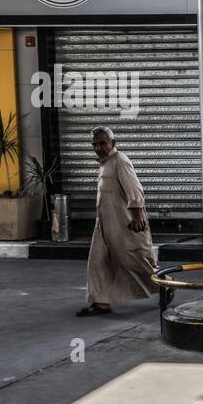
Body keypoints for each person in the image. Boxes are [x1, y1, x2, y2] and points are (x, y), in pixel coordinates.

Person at [76, 126, 158, 316]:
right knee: (97, 262)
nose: (98, 148)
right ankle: (100, 302)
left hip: (125, 224)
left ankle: (165, 285)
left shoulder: (120, 161)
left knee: (135, 263)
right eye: (95, 144)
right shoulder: (105, 163)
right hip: (104, 225)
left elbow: (135, 190)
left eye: (103, 143)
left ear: (113, 143)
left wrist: (137, 217)